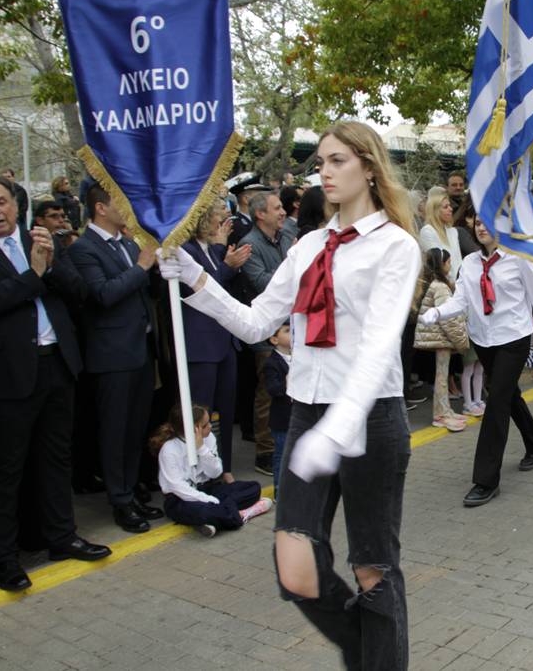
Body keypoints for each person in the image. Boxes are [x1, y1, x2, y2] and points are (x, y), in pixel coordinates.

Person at [158, 121, 420, 670]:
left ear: (370, 167)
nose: (325, 172)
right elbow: (256, 323)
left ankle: (379, 658)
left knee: (372, 567)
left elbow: (379, 347)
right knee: (295, 561)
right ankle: (370, 649)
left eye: (338, 160)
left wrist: (340, 425)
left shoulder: (395, 246)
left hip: (369, 418)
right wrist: (192, 277)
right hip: (306, 413)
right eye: (320, 162)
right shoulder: (307, 247)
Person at [0, 175, 110, 592]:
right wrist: (34, 273)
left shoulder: (40, 241)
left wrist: (51, 261)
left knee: (56, 459)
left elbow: (78, 291)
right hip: (6, 378)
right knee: (5, 470)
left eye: (1, 202)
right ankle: (4, 559)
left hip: (56, 366)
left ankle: (62, 536)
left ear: (16, 204)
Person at [419, 219, 533, 506]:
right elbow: (461, 301)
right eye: (478, 222)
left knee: (497, 402)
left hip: (513, 339)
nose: (481, 227)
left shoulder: (518, 259)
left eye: (488, 222)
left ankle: (486, 480)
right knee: (508, 396)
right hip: (484, 341)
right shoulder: (470, 264)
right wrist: (437, 313)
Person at [68, 184, 163, 533]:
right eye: (121, 202)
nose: (128, 209)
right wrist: (141, 266)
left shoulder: (127, 243)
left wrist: (154, 268)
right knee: (115, 430)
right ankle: (120, 500)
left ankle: (132, 489)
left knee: (135, 427)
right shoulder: (84, 249)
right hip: (111, 354)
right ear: (101, 208)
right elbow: (103, 294)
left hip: (140, 349)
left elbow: (145, 290)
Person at [181, 205, 252, 480]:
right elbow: (203, 288)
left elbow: (220, 286)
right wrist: (226, 264)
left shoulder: (211, 249)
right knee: (202, 413)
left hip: (224, 342)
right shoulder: (186, 251)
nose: (222, 224)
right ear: (201, 219)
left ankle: (225, 469)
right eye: (217, 218)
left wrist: (225, 260)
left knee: (226, 409)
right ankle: (200, 473)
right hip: (201, 345)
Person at [153, 404, 271, 538]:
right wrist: (210, 500)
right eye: (205, 425)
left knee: (253, 488)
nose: (210, 426)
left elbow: (215, 473)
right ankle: (242, 514)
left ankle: (214, 518)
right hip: (181, 498)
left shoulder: (209, 438)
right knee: (199, 510)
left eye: (209, 422)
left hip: (207, 489)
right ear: (193, 429)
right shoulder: (169, 450)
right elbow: (179, 488)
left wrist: (201, 449)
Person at [238, 190, 290, 477]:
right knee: (268, 392)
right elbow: (261, 282)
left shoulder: (285, 238)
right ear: (260, 214)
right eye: (277, 208)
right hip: (265, 332)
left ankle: (283, 442)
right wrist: (292, 270)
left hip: (288, 328)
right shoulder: (249, 245)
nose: (283, 212)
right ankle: (265, 451)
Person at [414, 248, 470, 431]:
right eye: (448, 262)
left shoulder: (434, 283)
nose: (450, 265)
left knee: (442, 376)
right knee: (441, 377)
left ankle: (445, 411)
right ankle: (441, 415)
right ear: (442, 264)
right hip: (441, 338)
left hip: (438, 337)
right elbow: (448, 318)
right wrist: (461, 341)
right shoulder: (440, 286)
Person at [263, 323, 293, 495]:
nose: (292, 333)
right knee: (282, 455)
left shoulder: (298, 357)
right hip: (282, 419)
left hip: (296, 416)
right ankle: (279, 490)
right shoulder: (271, 363)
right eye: (287, 331)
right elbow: (272, 389)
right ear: (274, 339)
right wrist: (287, 382)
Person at [418, 186, 463, 279]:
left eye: (450, 206)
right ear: (435, 211)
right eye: (446, 207)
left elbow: (458, 261)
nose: (450, 209)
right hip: (441, 283)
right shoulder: (427, 231)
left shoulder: (453, 232)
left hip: (460, 282)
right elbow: (437, 264)